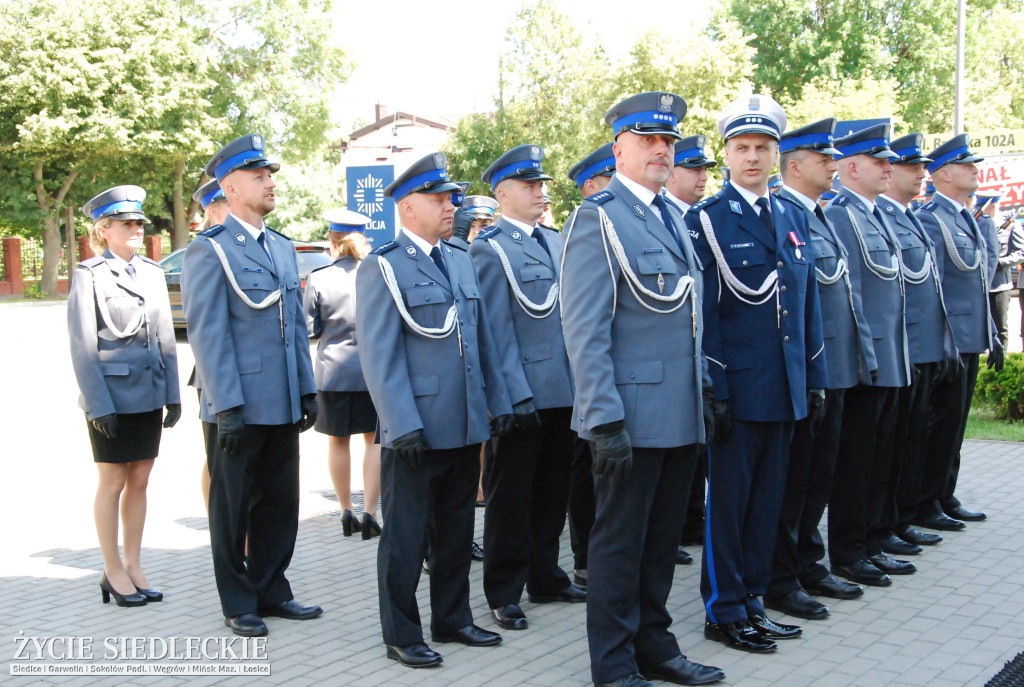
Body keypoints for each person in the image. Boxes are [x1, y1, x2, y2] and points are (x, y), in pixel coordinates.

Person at [562, 91, 724, 687]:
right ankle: (614, 664)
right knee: (619, 547)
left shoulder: (669, 217)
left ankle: (655, 647)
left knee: (659, 547)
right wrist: (602, 419)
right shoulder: (597, 218)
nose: (662, 150)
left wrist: (704, 390)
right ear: (619, 150)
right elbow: (584, 328)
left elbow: (688, 319)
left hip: (678, 413)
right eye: (650, 140)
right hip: (628, 416)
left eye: (670, 142)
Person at [356, 152, 515, 668]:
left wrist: (498, 403)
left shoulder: (460, 258)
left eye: (451, 197)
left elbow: (482, 341)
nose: (451, 206)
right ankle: (401, 632)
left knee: (454, 530)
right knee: (404, 537)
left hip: (466, 420)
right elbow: (380, 355)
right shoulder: (383, 265)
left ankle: (453, 617)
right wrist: (401, 425)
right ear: (407, 208)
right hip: (416, 427)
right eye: (438, 198)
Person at [686, 95, 827, 653]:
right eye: (741, 148)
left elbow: (807, 303)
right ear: (726, 154)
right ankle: (722, 610)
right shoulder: (708, 220)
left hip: (786, 385)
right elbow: (707, 313)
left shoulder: (793, 216)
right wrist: (715, 386)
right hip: (739, 390)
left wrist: (813, 377)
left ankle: (752, 602)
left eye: (762, 148)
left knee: (768, 503)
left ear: (777, 155)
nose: (752, 157)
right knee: (730, 506)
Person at [181, 133, 321, 638]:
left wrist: (306, 389)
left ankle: (272, 588)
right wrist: (226, 407)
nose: (270, 183)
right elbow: (209, 335)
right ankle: (238, 600)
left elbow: (293, 331)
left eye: (270, 175)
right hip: (239, 403)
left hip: (281, 398)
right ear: (231, 188)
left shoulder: (282, 247)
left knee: (280, 502)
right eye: (259, 176)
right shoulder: (211, 251)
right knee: (232, 505)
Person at [472, 144, 583, 633]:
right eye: (530, 186)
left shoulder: (556, 242)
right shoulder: (489, 248)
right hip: (522, 395)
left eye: (542, 186)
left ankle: (545, 575)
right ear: (502, 194)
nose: (541, 193)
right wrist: (511, 396)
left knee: (551, 492)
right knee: (510, 496)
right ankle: (503, 589)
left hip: (563, 388)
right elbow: (494, 331)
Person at [766, 118, 867, 621]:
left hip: (827, 367)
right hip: (800, 372)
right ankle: (782, 576)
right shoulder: (782, 213)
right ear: (796, 165)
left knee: (817, 474)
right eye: (824, 159)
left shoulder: (820, 214)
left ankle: (807, 560)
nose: (834, 165)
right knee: (793, 479)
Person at [68, 185, 181, 607]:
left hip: (149, 393)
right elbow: (82, 345)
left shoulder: (152, 272)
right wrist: (98, 404)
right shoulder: (90, 274)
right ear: (103, 229)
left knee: (141, 480)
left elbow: (166, 339)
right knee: (113, 480)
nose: (136, 229)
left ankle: (133, 565)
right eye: (127, 223)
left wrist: (173, 394)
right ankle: (112, 569)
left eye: (139, 223)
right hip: (111, 396)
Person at [824, 124, 913, 588]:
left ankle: (872, 540)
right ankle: (849, 550)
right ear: (851, 167)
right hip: (866, 362)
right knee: (857, 463)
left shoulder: (875, 213)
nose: (888, 168)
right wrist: (865, 357)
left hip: (889, 356)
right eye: (880, 162)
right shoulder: (842, 215)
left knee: (880, 456)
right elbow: (851, 293)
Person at [916, 134, 1004, 530]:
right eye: (966, 165)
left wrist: (993, 333)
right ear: (944, 174)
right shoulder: (933, 218)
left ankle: (944, 492)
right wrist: (946, 341)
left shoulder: (966, 216)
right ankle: (926, 500)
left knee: (955, 425)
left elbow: (978, 281)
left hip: (970, 336)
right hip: (950, 340)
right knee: (938, 425)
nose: (975, 170)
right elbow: (932, 288)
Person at [877, 133, 956, 554]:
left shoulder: (909, 216)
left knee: (910, 440)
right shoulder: (883, 216)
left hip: (917, 349)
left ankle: (901, 517)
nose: (918, 173)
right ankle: (888, 522)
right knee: (891, 447)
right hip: (897, 351)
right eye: (912, 166)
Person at [304, 208, 382, 538]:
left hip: (333, 372)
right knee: (374, 441)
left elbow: (310, 329)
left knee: (338, 442)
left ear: (332, 242)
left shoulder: (320, 277)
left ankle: (345, 510)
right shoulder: (375, 272)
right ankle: (371, 513)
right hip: (373, 371)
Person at [661, 134, 718, 565]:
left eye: (705, 170)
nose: (702, 177)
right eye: (694, 168)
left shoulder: (691, 220)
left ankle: (690, 521)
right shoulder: (603, 219)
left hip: (695, 362)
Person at [564, 141, 617, 591]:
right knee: (585, 481)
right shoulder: (586, 225)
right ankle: (584, 558)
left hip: (595, 383)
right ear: (591, 187)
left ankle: (586, 558)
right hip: (583, 384)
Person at [189, 177, 229, 515]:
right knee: (216, 455)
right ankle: (216, 516)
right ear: (213, 211)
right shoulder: (206, 248)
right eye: (228, 204)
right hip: (213, 374)